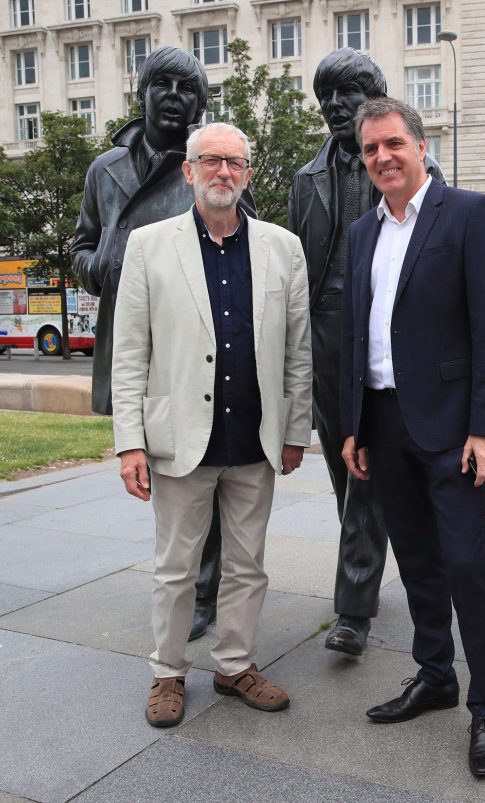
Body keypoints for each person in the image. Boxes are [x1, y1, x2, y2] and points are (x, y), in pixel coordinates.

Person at [111, 122, 312, 728]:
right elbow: (129, 353)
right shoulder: (149, 246)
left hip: (254, 439)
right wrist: (129, 444)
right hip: (178, 441)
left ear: (247, 174)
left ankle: (234, 665)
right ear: (189, 172)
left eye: (236, 162)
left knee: (247, 565)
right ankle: (167, 673)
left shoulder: (284, 248)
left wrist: (295, 429)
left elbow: (297, 351)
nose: (224, 171)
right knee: (176, 568)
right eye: (211, 161)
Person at [340, 97, 485, 778]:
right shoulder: (363, 233)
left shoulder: (467, 215)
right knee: (414, 557)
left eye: (393, 144)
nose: (382, 157)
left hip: (452, 428)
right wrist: (353, 424)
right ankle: (435, 673)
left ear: (420, 144)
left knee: (467, 562)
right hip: (382, 424)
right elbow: (358, 331)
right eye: (371, 149)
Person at [72, 46, 254, 641]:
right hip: (133, 335)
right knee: (167, 473)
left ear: (200, 102)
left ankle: (206, 590)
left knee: (204, 460)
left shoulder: (213, 162)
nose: (174, 95)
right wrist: (103, 263)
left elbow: (241, 242)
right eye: (162, 84)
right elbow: (81, 249)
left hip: (195, 342)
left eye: (187, 87)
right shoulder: (106, 170)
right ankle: (186, 582)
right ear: (142, 94)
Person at [288, 49, 444, 655]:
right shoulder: (305, 179)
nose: (332, 106)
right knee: (343, 467)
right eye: (324, 95)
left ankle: (352, 610)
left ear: (374, 97)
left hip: (389, 338)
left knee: (366, 473)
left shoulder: (419, 170)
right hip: (326, 336)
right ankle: (368, 570)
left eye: (345, 93)